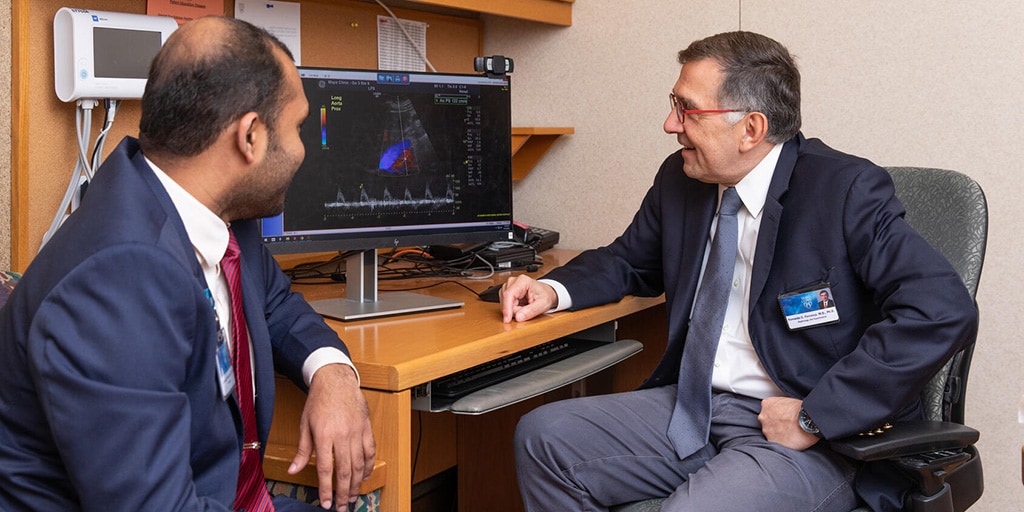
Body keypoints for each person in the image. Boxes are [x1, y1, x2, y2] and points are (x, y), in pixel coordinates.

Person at [501, 31, 977, 512]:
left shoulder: (843, 190)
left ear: (751, 129)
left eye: (687, 109)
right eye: (674, 104)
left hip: (801, 434)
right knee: (546, 438)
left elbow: (941, 310)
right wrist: (551, 289)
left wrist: (816, 416)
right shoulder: (681, 179)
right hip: (693, 408)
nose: (670, 124)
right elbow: (630, 260)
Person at [0, 16, 373, 512]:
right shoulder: (117, 281)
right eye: (299, 127)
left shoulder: (208, 206)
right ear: (250, 137)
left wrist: (332, 373)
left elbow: (276, 303)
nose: (304, 149)